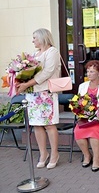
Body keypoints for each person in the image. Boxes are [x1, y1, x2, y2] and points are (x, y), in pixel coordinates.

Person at [16, 28, 61, 169]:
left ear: (42, 38)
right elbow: (28, 72)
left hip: (46, 93)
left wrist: (26, 84)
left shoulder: (52, 51)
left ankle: (54, 154)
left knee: (49, 124)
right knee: (36, 125)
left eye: (35, 37)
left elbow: (47, 72)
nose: (33, 40)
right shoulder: (35, 54)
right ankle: (43, 154)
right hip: (33, 94)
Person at [74, 60, 99, 172]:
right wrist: (79, 111)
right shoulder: (82, 86)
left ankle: (97, 159)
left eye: (92, 71)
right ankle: (87, 156)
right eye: (88, 71)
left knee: (94, 132)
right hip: (85, 118)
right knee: (78, 132)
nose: (89, 74)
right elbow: (78, 102)